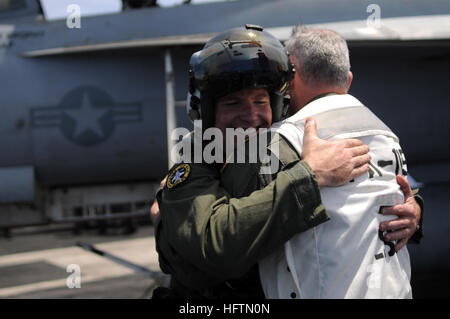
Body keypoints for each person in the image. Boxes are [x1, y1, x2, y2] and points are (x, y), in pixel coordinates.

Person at [153, 25, 423, 299]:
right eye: (233, 103)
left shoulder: (287, 150)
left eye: (260, 101)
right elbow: (204, 258)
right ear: (208, 111)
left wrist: (409, 209)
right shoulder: (195, 167)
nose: (251, 116)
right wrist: (310, 176)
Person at [251, 26, 421, 298]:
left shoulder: (283, 140)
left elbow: (242, 228)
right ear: (348, 79)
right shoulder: (388, 136)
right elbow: (401, 196)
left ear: (290, 76)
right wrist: (417, 211)